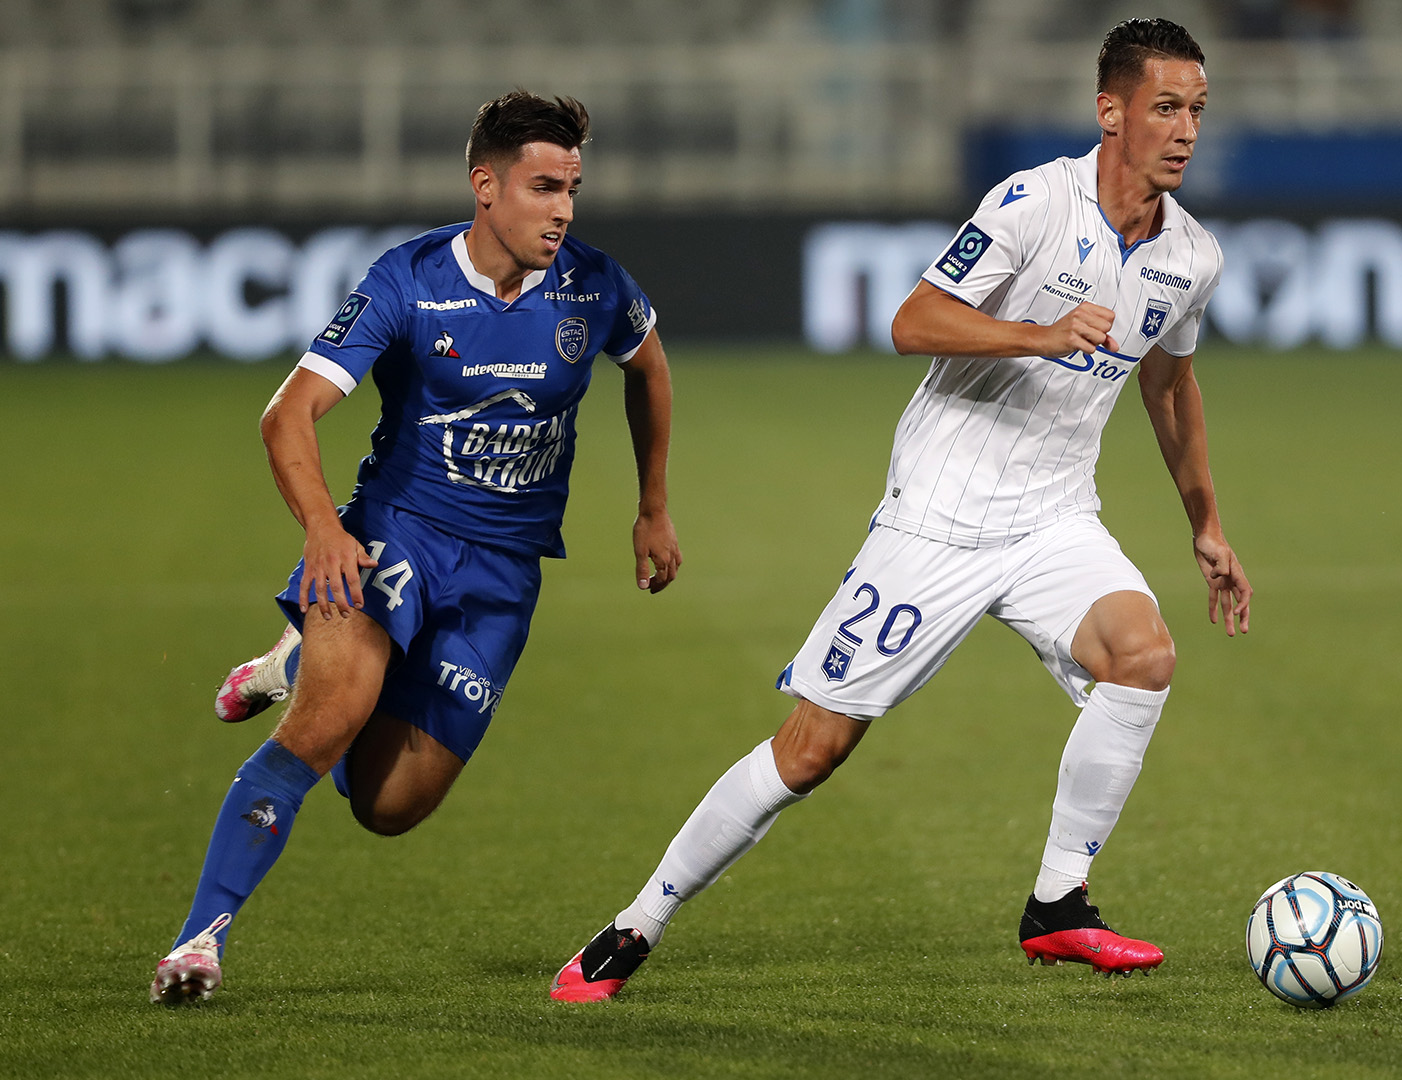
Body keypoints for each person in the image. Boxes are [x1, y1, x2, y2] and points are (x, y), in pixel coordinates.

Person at [548, 17, 1249, 1003]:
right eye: (1166, 107)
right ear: (1111, 112)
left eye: (1198, 111)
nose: (1184, 130)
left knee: (1144, 657)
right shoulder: (1029, 205)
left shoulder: (1191, 257)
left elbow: (1171, 386)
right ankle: (636, 923)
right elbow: (911, 320)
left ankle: (1057, 906)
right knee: (812, 749)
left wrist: (1205, 526)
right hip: (937, 519)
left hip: (1054, 518)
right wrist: (1038, 334)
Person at [151, 91, 682, 1004]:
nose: (563, 208)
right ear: (487, 186)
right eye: (544, 187)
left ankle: (299, 657)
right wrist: (324, 529)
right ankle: (199, 942)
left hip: (504, 575)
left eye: (574, 189)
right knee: (326, 723)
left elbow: (649, 368)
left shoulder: (597, 284)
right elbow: (290, 414)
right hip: (392, 538)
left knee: (389, 808)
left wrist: (652, 505)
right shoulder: (406, 280)